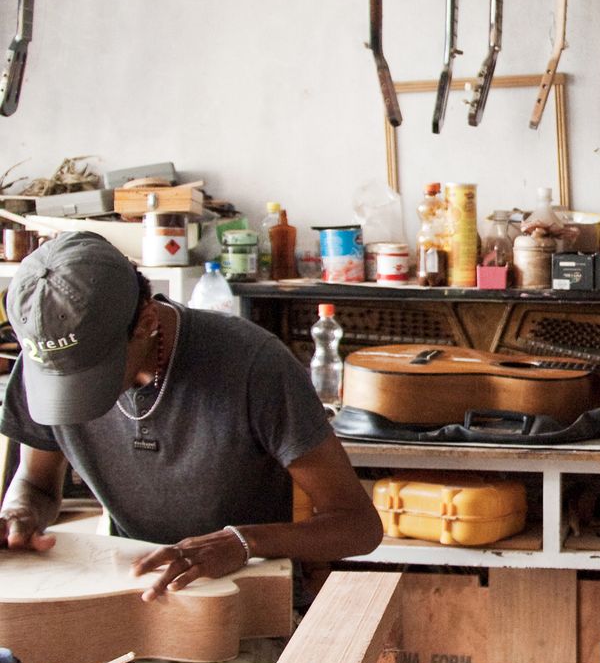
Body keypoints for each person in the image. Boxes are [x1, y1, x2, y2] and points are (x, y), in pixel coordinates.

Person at [0, 232, 382, 600]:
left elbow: (358, 526)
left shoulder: (253, 365)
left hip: (245, 595)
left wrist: (243, 542)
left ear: (147, 322)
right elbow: (35, 485)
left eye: (92, 376)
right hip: (132, 590)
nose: (74, 396)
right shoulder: (44, 368)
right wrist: (20, 513)